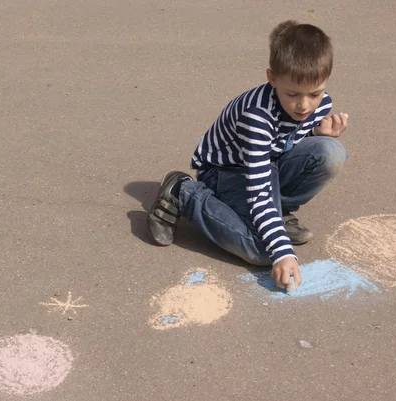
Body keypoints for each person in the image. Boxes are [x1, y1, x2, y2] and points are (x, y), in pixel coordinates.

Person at [147, 20, 348, 292]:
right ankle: (183, 193)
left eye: (315, 93)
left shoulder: (320, 103)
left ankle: (278, 214)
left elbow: (285, 139)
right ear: (272, 78)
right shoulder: (257, 117)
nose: (304, 105)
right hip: (225, 170)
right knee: (262, 252)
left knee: (330, 151)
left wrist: (315, 131)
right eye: (293, 94)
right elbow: (259, 189)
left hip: (267, 162)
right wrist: (282, 251)